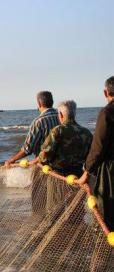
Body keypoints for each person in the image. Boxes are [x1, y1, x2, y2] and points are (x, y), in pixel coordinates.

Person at [77, 76, 114, 231]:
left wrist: (86, 172)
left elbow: (97, 148)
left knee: (107, 216)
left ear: (106, 92)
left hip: (110, 171)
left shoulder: (106, 113)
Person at [32, 100, 93, 177]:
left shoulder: (58, 130)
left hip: (57, 175)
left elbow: (45, 154)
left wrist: (34, 161)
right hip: (78, 174)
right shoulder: (87, 132)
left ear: (60, 114)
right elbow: (91, 155)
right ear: (74, 114)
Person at [5, 91, 59, 166]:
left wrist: (12, 159)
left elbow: (28, 149)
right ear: (52, 102)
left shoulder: (39, 121)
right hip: (62, 163)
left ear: (39, 104)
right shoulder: (62, 116)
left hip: (46, 165)